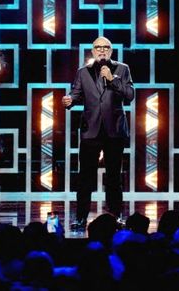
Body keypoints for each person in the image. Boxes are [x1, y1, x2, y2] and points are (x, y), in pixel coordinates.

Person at [63, 37, 134, 229]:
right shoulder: (83, 72)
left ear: (111, 51)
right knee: (85, 177)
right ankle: (80, 217)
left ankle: (116, 216)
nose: (102, 51)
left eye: (105, 47)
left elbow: (129, 95)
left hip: (114, 130)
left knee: (114, 177)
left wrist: (112, 79)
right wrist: (70, 100)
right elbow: (76, 94)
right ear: (93, 51)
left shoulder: (122, 69)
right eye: (98, 48)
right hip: (90, 130)